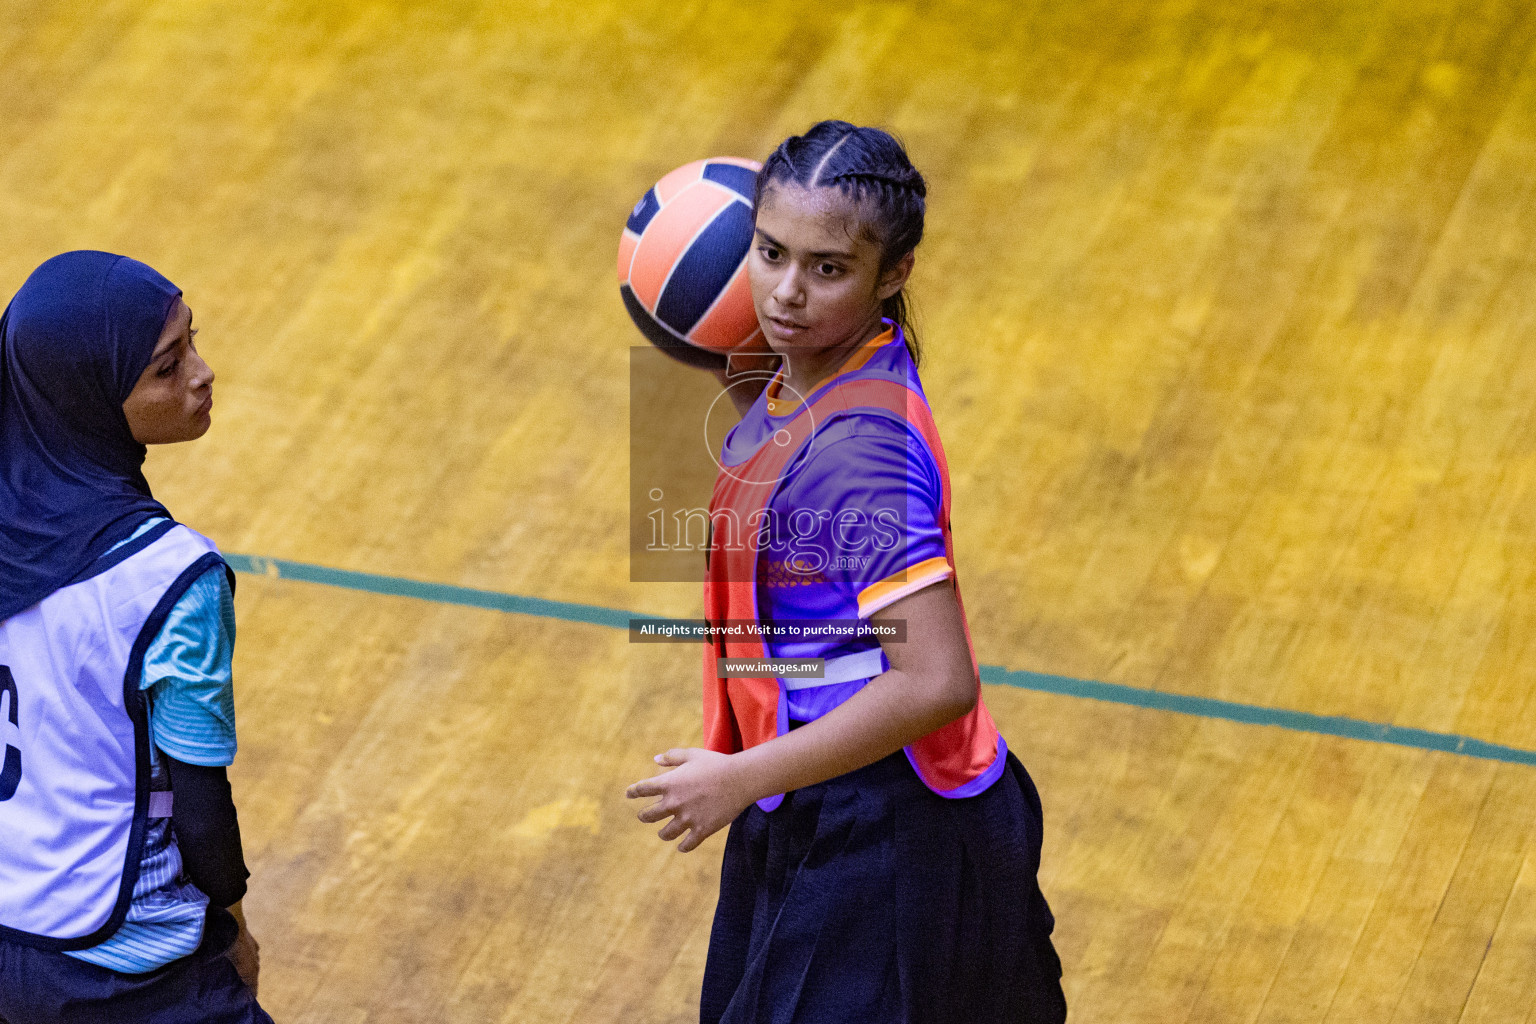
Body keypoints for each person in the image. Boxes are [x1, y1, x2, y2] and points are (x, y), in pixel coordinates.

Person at [627, 122, 1067, 1023]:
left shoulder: (862, 454)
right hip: (821, 796)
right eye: (769, 252)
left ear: (892, 273)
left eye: (827, 268)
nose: (785, 293)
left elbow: (938, 678)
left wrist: (740, 779)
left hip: (885, 827)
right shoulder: (818, 369)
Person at [0, 251, 270, 1024]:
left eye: (193, 342)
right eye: (164, 368)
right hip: (124, 967)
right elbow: (201, 804)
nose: (203, 372)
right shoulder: (168, 578)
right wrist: (232, 931)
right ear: (85, 400)